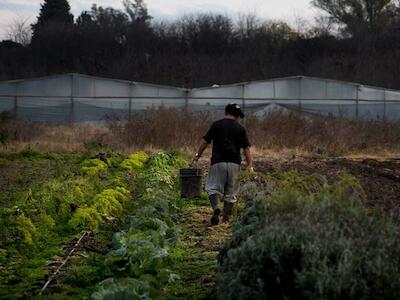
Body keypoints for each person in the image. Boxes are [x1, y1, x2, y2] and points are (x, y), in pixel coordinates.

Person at [191, 103, 253, 225]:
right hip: (235, 164)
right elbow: (246, 149)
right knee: (231, 193)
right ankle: (226, 220)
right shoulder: (241, 129)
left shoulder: (216, 125)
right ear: (236, 115)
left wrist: (197, 156)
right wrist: (250, 165)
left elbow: (205, 142)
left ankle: (216, 208)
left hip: (218, 163)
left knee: (213, 188)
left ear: (226, 112)